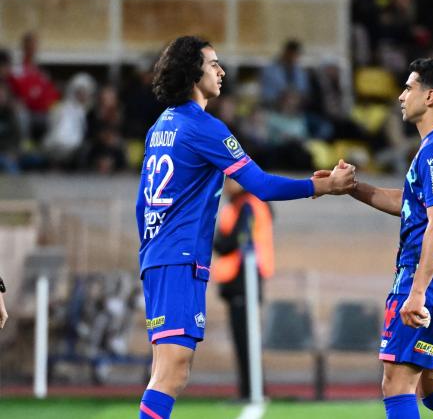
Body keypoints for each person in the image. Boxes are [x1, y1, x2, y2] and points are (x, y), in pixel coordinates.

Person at [135, 36, 355, 419]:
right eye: (213, 64)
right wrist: (324, 186)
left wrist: (157, 248)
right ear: (192, 72)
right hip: (179, 259)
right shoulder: (203, 127)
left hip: (159, 258)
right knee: (172, 371)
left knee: (166, 369)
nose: (221, 71)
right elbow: (262, 185)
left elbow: (142, 206)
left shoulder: (160, 127)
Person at [319, 58, 433, 418]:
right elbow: (411, 204)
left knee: (396, 384)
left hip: (427, 285)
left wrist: (417, 293)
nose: (400, 96)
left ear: (430, 96)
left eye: (408, 87)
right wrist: (353, 188)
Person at [213, 178, 274, 400]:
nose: (227, 186)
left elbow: (229, 242)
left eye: (231, 181)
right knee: (243, 339)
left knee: (246, 339)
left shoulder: (248, 205)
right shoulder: (238, 205)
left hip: (244, 279)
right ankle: (249, 390)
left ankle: (253, 391)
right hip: (238, 280)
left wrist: (218, 242)